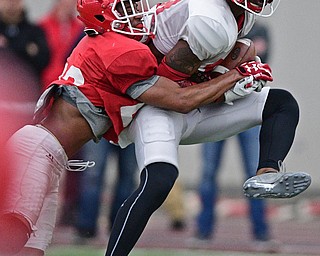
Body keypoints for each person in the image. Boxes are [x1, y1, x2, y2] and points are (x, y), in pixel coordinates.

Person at [0, 1, 309, 256]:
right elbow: (180, 99)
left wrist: (225, 66)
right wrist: (234, 76)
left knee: (31, 250)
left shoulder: (111, 43)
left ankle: (268, 170)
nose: (137, 11)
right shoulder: (117, 51)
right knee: (13, 238)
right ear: (104, 18)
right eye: (123, 8)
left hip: (50, 155)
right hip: (38, 150)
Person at [195, 21, 272, 242]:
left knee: (255, 170)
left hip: (246, 107)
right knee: (209, 172)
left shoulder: (259, 30)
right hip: (215, 107)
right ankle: (203, 230)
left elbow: (262, 67)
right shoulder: (213, 27)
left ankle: (261, 232)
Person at [75, 141, 138, 238]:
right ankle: (86, 227)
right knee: (93, 175)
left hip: (129, 128)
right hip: (99, 128)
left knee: (127, 178)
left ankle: (119, 225)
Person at [0, 0, 50, 78]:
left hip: (27, 83)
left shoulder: (34, 32)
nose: (11, 4)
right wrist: (26, 49)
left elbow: (44, 60)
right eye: (7, 1)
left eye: (15, 1)